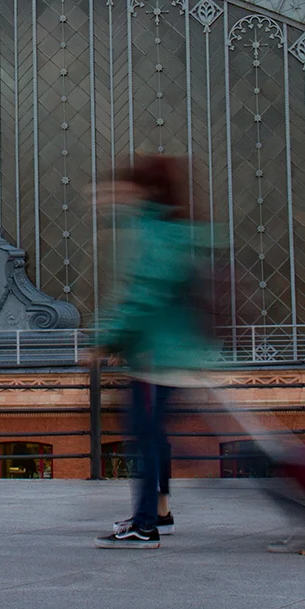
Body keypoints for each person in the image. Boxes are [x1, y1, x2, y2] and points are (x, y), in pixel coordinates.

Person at [90, 155, 211, 549]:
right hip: (177, 356)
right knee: (157, 439)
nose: (110, 195)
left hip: (155, 360)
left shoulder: (153, 231)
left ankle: (145, 525)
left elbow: (142, 295)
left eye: (120, 187)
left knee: (142, 439)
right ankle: (158, 513)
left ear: (141, 190)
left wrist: (109, 340)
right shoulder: (173, 226)